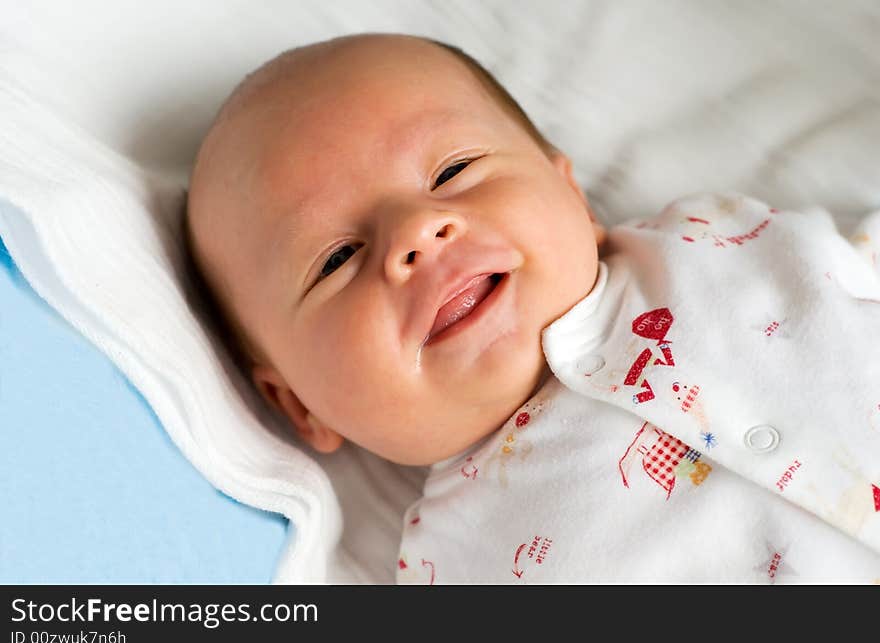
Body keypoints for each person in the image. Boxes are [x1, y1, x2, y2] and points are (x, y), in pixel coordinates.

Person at [185, 33, 880, 583]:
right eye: (335, 259)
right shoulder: (454, 566)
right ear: (300, 406)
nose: (414, 235)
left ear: (568, 190)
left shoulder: (717, 237)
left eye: (452, 171)